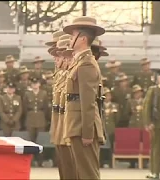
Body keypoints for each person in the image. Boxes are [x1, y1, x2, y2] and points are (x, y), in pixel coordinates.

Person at [62, 16, 105, 179]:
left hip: (82, 126)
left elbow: (88, 101)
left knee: (88, 174)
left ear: (83, 38)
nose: (70, 39)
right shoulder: (80, 62)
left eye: (73, 36)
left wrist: (87, 132)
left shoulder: (86, 63)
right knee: (80, 173)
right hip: (76, 124)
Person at [49, 34, 78, 179]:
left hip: (68, 124)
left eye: (61, 55)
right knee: (63, 163)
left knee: (71, 165)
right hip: (60, 123)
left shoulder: (72, 75)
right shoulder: (60, 75)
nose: (56, 58)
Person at [23, 77, 49, 143]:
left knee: (40, 139)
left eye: (36, 83)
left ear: (39, 84)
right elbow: (25, 107)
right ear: (31, 85)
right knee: (30, 139)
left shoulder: (44, 93)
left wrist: (43, 115)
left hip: (40, 118)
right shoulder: (27, 94)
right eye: (33, 84)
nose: (35, 85)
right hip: (30, 118)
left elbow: (46, 107)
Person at [100, 87, 119, 168]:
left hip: (111, 129)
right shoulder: (100, 106)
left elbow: (117, 118)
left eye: (109, 95)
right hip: (102, 128)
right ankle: (101, 162)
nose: (108, 97)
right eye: (106, 95)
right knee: (101, 147)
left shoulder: (115, 106)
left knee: (111, 147)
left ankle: (110, 162)